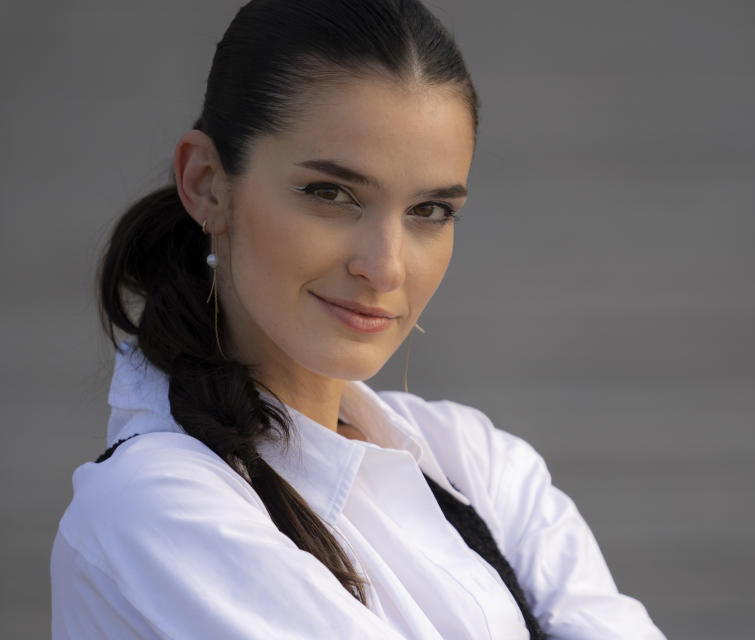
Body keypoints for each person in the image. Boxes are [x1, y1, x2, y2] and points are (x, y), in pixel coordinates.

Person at [50, 1, 667, 638]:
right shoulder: (152, 510)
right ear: (206, 183)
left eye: (429, 210)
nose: (386, 267)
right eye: (332, 194)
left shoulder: (473, 464)